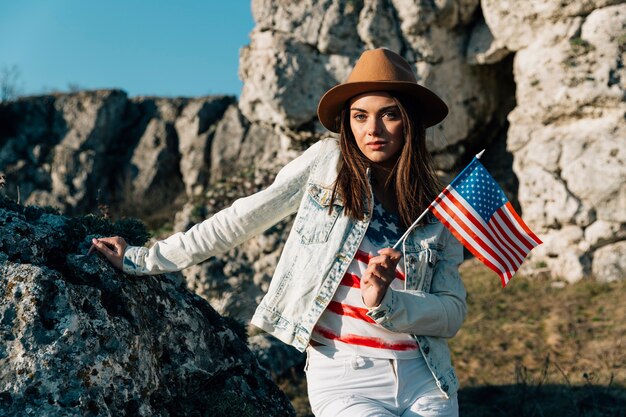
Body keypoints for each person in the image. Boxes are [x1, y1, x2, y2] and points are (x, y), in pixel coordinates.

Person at [89, 48, 466, 417]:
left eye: (389, 115)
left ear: (411, 122)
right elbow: (239, 220)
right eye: (360, 116)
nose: (373, 129)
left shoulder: (435, 208)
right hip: (346, 376)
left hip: (427, 380)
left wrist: (386, 304)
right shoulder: (327, 164)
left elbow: (452, 313)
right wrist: (143, 258)